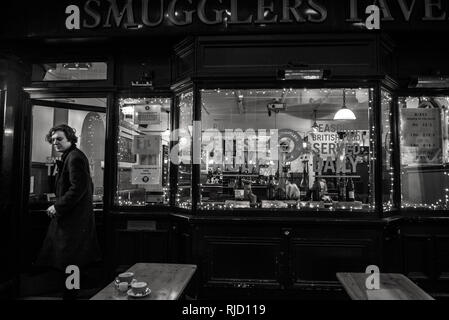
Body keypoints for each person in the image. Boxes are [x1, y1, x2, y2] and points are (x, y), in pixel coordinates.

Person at [35, 124, 101, 299]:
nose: (55, 142)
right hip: (73, 220)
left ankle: (71, 296)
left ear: (70, 139)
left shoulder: (74, 158)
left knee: (71, 261)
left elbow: (77, 188)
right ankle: (70, 293)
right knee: (71, 261)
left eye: (59, 139)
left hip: (73, 221)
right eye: (53, 139)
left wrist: (58, 206)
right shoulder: (71, 156)